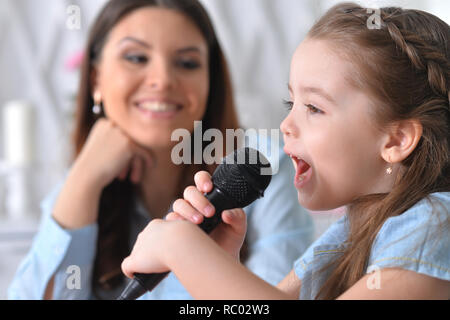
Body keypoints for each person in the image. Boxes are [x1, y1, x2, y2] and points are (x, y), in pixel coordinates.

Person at [121, 3, 450, 299]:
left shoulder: (434, 224)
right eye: (290, 104)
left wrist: (182, 247)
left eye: (314, 108)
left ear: (396, 140)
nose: (285, 126)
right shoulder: (347, 233)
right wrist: (219, 265)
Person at [7, 0, 313, 300]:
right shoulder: (79, 185)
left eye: (187, 63)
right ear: (95, 79)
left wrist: (195, 258)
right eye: (137, 58)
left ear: (211, 81)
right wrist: (83, 178)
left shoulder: (263, 167)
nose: (163, 80)